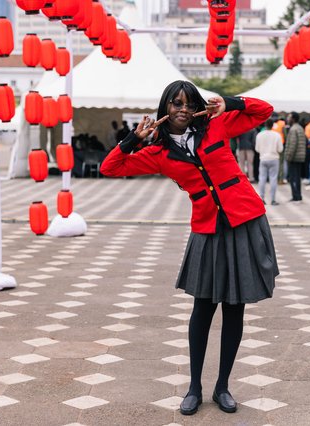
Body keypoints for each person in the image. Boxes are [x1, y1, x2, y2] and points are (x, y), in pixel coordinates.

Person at [100, 81, 278, 416]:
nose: (182, 109)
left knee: (235, 308)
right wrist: (133, 140)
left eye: (188, 103)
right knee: (203, 309)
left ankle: (222, 386)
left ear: (196, 106)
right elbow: (111, 167)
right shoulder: (159, 154)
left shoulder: (218, 126)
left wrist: (229, 102)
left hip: (245, 221)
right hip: (208, 229)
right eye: (175, 103)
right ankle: (194, 387)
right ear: (165, 109)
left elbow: (264, 110)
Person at [255, 118, 283, 205]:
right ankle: (273, 199)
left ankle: (262, 198)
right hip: (274, 159)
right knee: (273, 179)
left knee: (262, 178)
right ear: (272, 125)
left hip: (263, 158)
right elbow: (280, 149)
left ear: (265, 125)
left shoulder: (259, 135)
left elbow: (257, 149)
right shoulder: (277, 135)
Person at [285, 111, 306, 202]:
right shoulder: (300, 128)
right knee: (297, 178)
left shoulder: (293, 129)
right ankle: (298, 195)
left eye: (289, 117)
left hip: (294, 157)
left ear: (293, 119)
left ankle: (296, 196)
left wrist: (289, 157)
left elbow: (292, 145)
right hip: (300, 156)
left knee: (293, 178)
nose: (287, 119)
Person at [272, 115, 286, 183]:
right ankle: (280, 179)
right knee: (281, 163)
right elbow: (285, 134)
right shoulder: (282, 123)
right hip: (281, 144)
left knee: (274, 162)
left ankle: (274, 179)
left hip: (273, 146)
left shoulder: (272, 124)